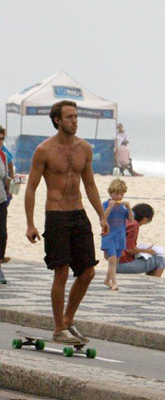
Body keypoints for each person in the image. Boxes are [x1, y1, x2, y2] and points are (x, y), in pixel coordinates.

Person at [25, 100, 109, 344]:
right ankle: (58, 327)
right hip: (56, 215)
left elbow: (90, 184)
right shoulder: (44, 150)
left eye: (76, 116)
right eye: (69, 117)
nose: (74, 121)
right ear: (57, 121)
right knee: (61, 272)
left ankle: (68, 320)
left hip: (79, 214)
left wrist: (101, 216)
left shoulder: (84, 148)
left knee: (88, 272)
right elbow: (31, 188)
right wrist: (30, 224)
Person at [116, 203, 165, 277]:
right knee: (161, 260)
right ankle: (153, 285)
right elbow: (130, 249)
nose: (145, 224)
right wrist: (146, 251)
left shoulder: (124, 220)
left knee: (152, 259)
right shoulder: (133, 225)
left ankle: (149, 282)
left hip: (114, 262)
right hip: (123, 264)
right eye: (147, 221)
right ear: (144, 218)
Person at [102, 178, 134, 291]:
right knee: (112, 259)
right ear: (110, 193)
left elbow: (131, 220)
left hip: (120, 236)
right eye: (116, 194)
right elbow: (102, 219)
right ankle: (114, 282)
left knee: (116, 260)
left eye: (121, 194)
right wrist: (110, 207)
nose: (119, 197)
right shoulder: (106, 204)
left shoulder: (123, 207)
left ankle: (107, 279)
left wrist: (129, 208)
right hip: (109, 236)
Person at [0, 135, 11, 283]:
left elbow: (6, 177)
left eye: (1, 139)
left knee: (2, 234)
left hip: (1, 200)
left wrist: (13, 183)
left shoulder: (3, 155)